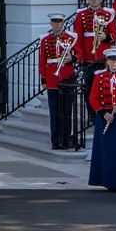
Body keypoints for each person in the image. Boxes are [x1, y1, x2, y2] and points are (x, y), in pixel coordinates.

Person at [87, 48, 116, 190]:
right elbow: (93, 98)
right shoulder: (100, 77)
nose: (114, 63)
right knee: (106, 151)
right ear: (107, 61)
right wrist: (102, 112)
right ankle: (106, 180)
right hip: (105, 117)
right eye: (112, 60)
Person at [39, 14, 79, 151]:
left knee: (67, 110)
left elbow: (80, 55)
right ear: (51, 24)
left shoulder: (71, 38)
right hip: (51, 77)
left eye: (59, 22)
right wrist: (43, 78)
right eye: (54, 22)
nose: (57, 25)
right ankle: (55, 140)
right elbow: (42, 60)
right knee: (54, 110)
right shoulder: (45, 40)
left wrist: (72, 58)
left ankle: (66, 138)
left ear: (63, 23)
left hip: (67, 76)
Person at [72, 0, 115, 104]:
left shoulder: (107, 14)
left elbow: (114, 35)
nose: (94, 0)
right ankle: (91, 113)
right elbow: (78, 37)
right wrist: (80, 56)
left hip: (103, 55)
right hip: (88, 56)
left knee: (104, 87)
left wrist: (105, 37)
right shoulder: (82, 15)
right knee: (89, 87)